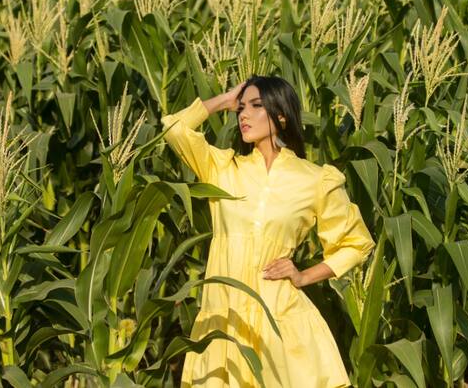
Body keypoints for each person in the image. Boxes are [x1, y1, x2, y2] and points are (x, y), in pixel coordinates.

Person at [160, 75, 376, 387]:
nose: (244, 115)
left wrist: (303, 276)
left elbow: (356, 243)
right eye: (241, 108)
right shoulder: (222, 169)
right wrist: (226, 99)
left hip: (279, 319)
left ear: (281, 115)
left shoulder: (315, 179)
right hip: (224, 321)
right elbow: (173, 128)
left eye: (256, 106)